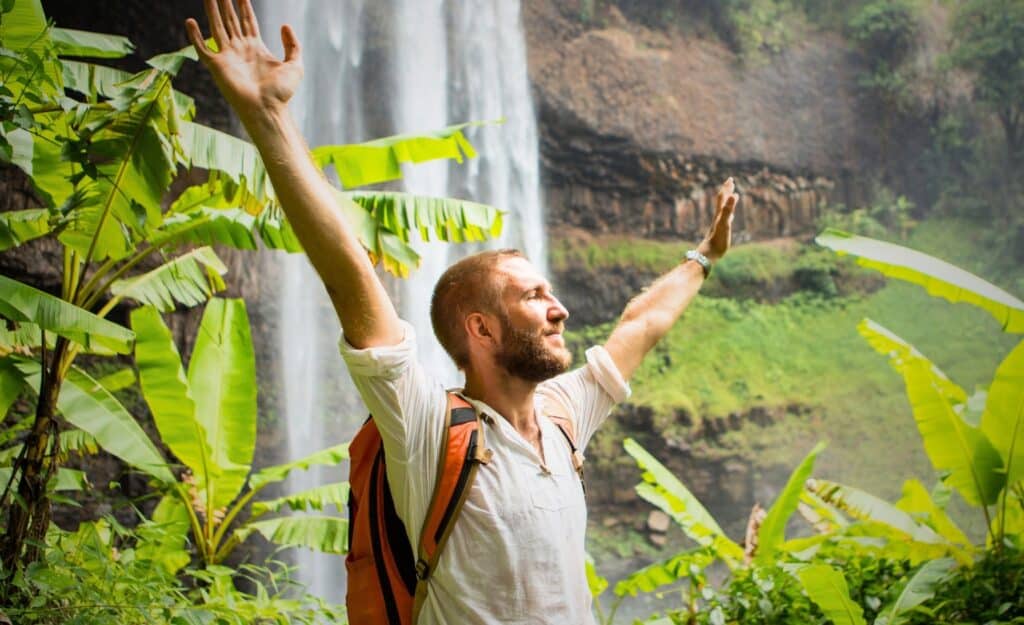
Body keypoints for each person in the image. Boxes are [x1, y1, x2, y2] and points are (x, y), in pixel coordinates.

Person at [185, 1, 739, 623]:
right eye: (534, 297)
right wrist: (268, 116)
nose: (559, 310)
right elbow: (349, 269)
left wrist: (703, 257)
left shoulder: (563, 420)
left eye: (551, 294)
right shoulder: (427, 430)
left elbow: (640, 324)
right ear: (480, 329)